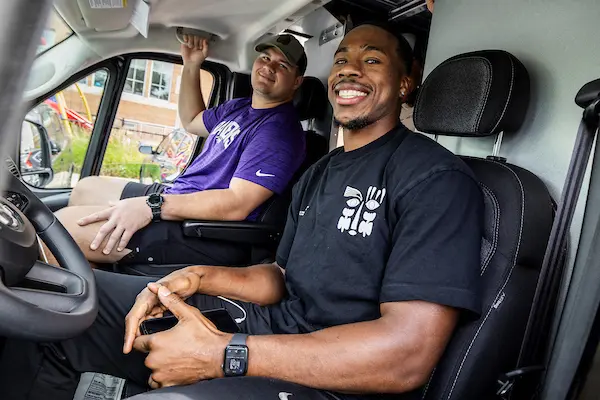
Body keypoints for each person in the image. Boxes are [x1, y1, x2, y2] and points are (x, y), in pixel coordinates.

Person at [0, 22, 484, 400]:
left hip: (329, 383)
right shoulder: (322, 172)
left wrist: (226, 355)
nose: (349, 70)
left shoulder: (434, 179)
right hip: (265, 330)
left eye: (371, 59)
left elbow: (406, 356)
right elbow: (280, 276)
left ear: (404, 83)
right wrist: (195, 278)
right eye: (341, 59)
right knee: (62, 305)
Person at [45, 33, 308, 268]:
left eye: (282, 65)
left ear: (296, 82)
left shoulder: (279, 132)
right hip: (179, 195)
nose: (268, 66)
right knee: (85, 188)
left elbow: (237, 204)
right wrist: (192, 64)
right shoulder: (239, 108)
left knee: (59, 231)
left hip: (202, 229)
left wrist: (152, 206)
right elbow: (193, 120)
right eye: (265, 57)